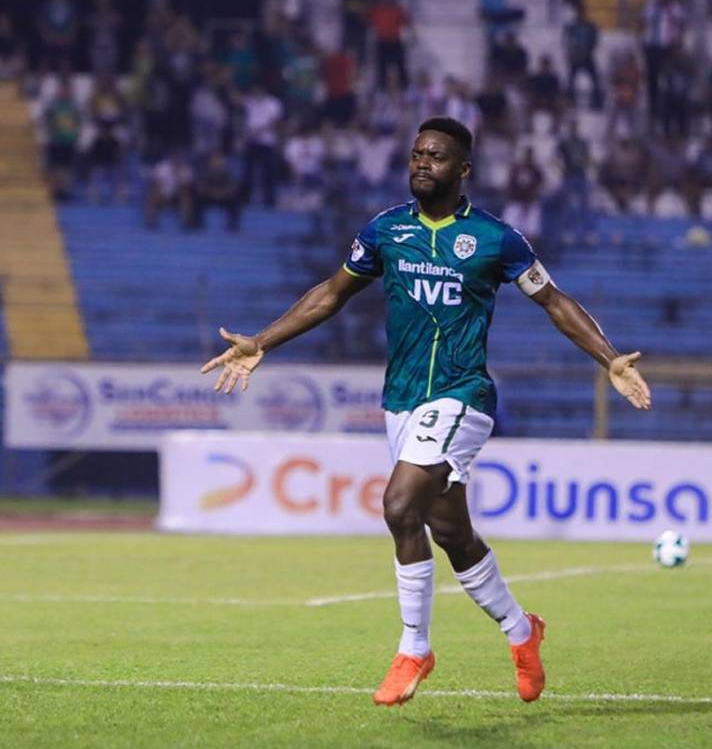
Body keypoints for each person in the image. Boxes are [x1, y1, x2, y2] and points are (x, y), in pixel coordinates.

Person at [201, 117, 652, 706]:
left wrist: (609, 358)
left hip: (463, 395)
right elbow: (331, 293)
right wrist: (263, 340)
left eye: (436, 157)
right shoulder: (386, 231)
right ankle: (522, 631)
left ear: (463, 170)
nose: (422, 164)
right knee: (451, 531)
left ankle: (415, 648)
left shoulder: (496, 239)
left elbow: (554, 301)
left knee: (397, 503)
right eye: (416, 154)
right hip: (403, 400)